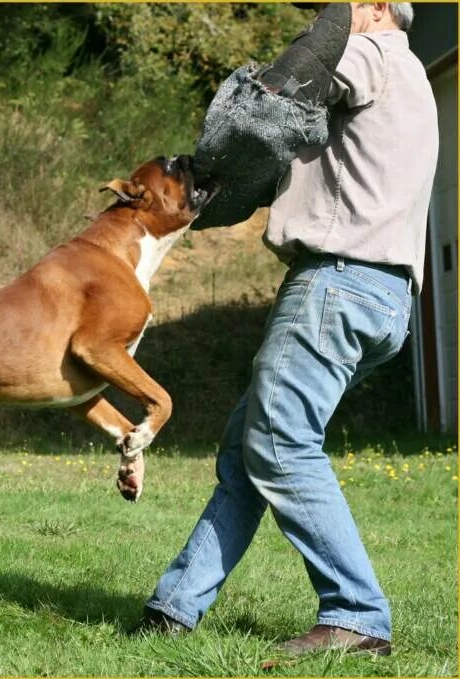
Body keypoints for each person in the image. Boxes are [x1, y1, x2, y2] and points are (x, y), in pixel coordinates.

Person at [136, 2, 439, 658]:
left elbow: (284, 91)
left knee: (279, 443)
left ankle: (356, 610)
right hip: (385, 299)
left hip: (336, 280)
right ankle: (175, 606)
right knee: (249, 452)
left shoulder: (370, 57)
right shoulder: (415, 80)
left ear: (379, 8)